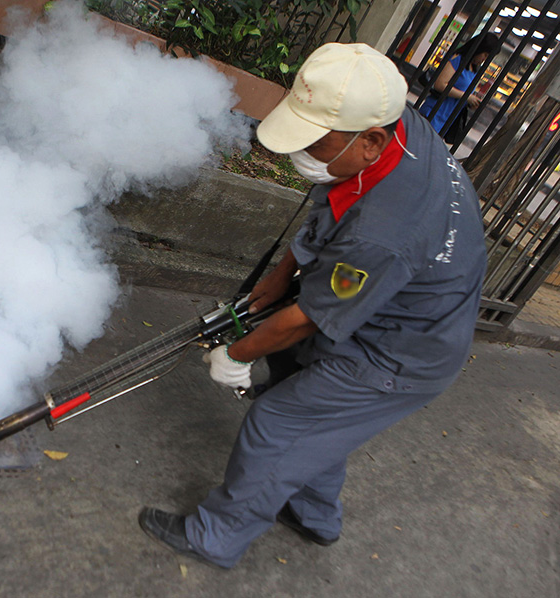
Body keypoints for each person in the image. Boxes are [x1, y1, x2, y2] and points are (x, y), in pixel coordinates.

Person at [138, 42, 487, 569]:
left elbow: (310, 316)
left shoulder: (384, 231)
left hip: (400, 352)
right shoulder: (393, 120)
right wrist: (282, 275)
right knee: (310, 406)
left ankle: (216, 537)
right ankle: (312, 512)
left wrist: (236, 353)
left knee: (279, 424)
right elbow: (332, 215)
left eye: (316, 142)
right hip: (399, 306)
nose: (300, 152)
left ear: (369, 142)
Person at [419, 33, 500, 141]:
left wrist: (471, 102)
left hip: (447, 120)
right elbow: (440, 84)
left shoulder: (473, 69)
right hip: (434, 113)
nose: (484, 59)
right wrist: (466, 97)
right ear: (479, 48)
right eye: (485, 55)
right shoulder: (457, 59)